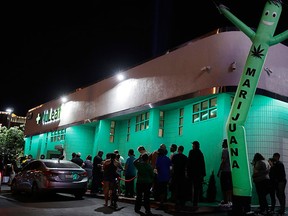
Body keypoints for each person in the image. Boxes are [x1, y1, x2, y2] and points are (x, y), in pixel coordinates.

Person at [187, 140, 206, 210]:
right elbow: (202, 164)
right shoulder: (200, 153)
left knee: (191, 186)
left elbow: (189, 162)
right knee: (197, 188)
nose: (192, 146)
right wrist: (203, 174)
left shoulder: (191, 152)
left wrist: (187, 172)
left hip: (192, 173)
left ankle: (190, 200)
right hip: (198, 174)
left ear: (194, 145)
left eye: (193, 145)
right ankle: (195, 202)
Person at [171, 145, 188, 210]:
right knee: (181, 188)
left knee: (175, 188)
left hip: (175, 175)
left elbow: (172, 166)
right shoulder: (185, 157)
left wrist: (172, 174)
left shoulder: (175, 156)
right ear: (183, 150)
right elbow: (186, 168)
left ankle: (176, 202)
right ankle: (182, 202)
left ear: (178, 149)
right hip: (182, 175)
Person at [217, 139, 233, 207]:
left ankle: (226, 201)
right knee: (229, 187)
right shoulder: (231, 150)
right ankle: (230, 201)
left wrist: (219, 171)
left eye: (223, 143)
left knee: (224, 187)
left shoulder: (225, 150)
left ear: (226, 144)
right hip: (230, 171)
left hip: (225, 171)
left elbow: (223, 161)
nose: (222, 144)